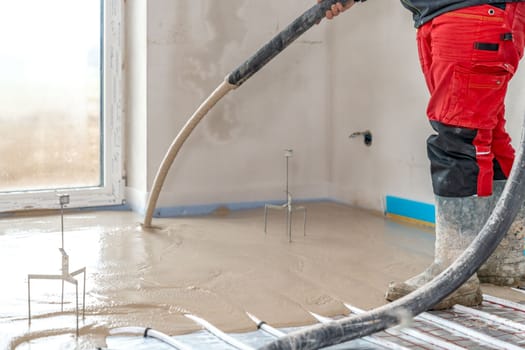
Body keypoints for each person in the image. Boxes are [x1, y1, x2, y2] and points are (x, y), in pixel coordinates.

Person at [320, 0, 525, 309]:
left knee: (458, 138)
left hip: (471, 12)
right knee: (484, 133)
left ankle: (455, 273)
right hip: (444, 14)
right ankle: (499, 256)